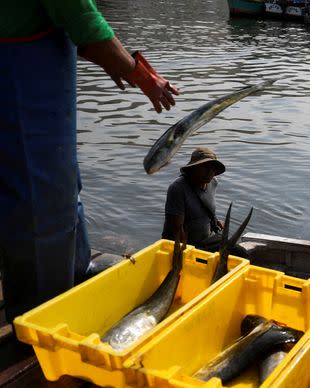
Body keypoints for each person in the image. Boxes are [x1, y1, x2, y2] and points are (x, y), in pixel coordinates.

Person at [1, 0, 179, 325]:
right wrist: (142, 76)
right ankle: (39, 318)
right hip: (22, 86)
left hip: (32, 80)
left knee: (58, 190)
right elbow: (79, 17)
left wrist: (116, 60)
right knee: (38, 202)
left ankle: (74, 276)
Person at [161, 148, 247, 258]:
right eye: (205, 167)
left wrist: (214, 220)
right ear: (194, 168)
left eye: (213, 168)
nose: (210, 172)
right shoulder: (178, 188)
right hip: (185, 245)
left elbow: (206, 206)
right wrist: (187, 255)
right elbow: (177, 229)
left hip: (207, 240)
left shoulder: (212, 183)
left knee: (241, 253)